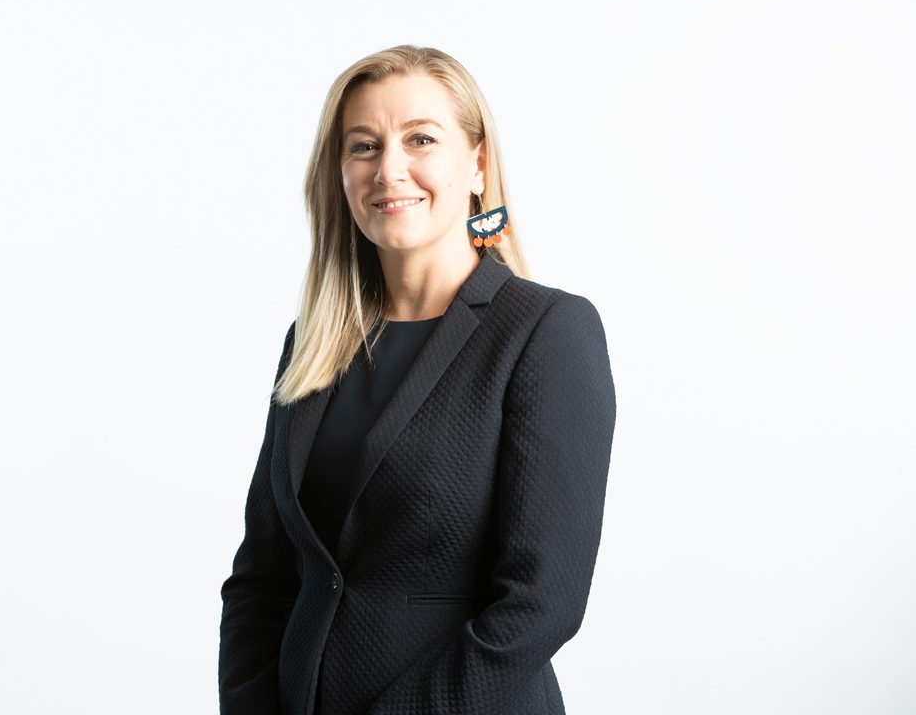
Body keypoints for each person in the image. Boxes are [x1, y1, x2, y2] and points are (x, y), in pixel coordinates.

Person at [218, 44, 617, 715]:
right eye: (363, 147)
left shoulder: (545, 333)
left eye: (421, 139)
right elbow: (262, 578)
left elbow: (541, 603)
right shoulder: (313, 344)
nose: (389, 170)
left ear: (478, 162)